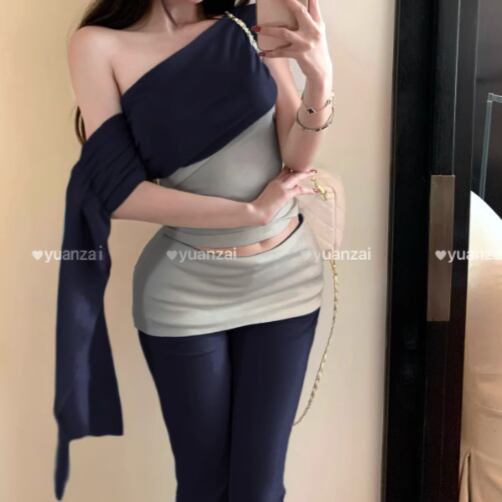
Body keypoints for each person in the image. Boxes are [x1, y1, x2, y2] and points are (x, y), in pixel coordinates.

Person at [62, 0, 334, 500]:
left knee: (260, 489)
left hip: (288, 282)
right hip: (185, 293)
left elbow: (295, 157)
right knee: (203, 486)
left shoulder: (249, 22)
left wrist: (320, 79)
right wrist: (249, 213)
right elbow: (119, 194)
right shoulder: (97, 45)